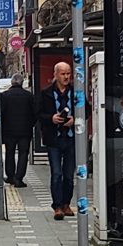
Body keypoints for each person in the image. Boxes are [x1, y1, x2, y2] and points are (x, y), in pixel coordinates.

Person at [39, 62, 77, 221]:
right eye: (63, 73)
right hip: (54, 139)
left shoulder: (76, 93)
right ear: (55, 74)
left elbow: (86, 109)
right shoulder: (46, 93)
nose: (66, 76)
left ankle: (67, 203)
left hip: (71, 138)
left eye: (68, 73)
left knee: (69, 175)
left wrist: (75, 119)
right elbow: (38, 114)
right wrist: (51, 118)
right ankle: (57, 206)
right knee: (56, 173)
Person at [0, 73, 37, 187]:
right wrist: (31, 124)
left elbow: (1, 113)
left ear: (12, 83)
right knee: (23, 154)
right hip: (25, 131)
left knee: (9, 153)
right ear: (22, 83)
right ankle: (19, 178)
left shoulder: (4, 96)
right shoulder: (29, 96)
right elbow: (35, 113)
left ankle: (10, 176)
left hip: (9, 131)